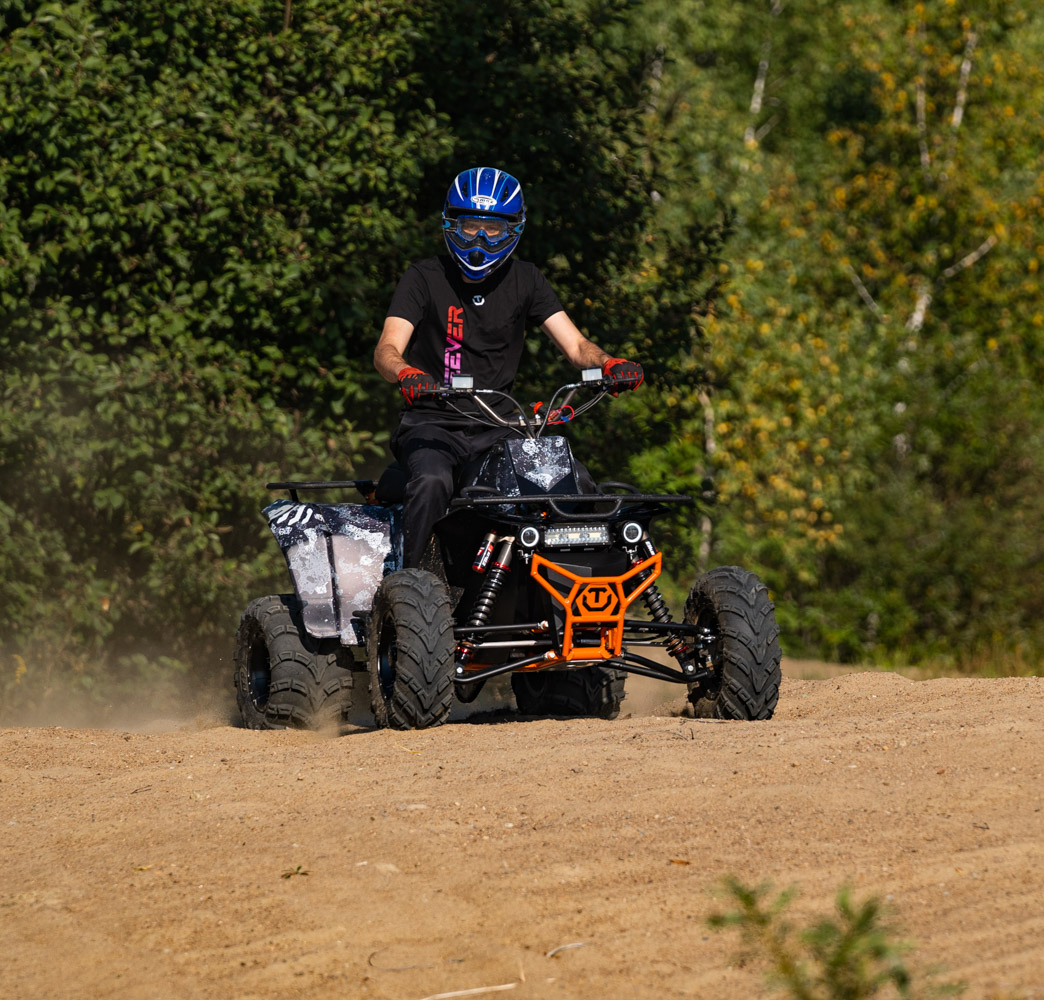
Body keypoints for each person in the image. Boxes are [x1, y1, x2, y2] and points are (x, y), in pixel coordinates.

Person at [373, 166, 644, 568]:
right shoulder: (424, 277)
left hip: (500, 430)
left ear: (512, 230)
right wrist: (407, 373)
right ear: (451, 224)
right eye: (470, 226)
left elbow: (575, 345)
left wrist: (609, 364)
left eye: (493, 229)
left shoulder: (526, 280)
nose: (480, 238)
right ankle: (412, 589)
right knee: (432, 482)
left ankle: (577, 595)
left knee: (573, 481)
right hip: (432, 425)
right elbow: (387, 349)